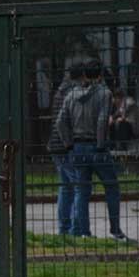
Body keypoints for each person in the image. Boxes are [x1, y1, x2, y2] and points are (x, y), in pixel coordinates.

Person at [51, 60, 125, 239]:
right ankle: (115, 229)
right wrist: (100, 145)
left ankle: (81, 231)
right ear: (99, 74)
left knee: (81, 190)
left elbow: (60, 122)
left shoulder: (71, 94)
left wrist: (69, 143)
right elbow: (101, 121)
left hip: (77, 147)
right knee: (112, 187)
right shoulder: (105, 93)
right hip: (96, 146)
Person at [49, 62, 85, 236]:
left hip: (55, 145)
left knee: (66, 187)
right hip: (66, 146)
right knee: (79, 186)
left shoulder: (60, 91)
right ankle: (76, 230)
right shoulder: (73, 93)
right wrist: (70, 143)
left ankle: (64, 228)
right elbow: (65, 121)